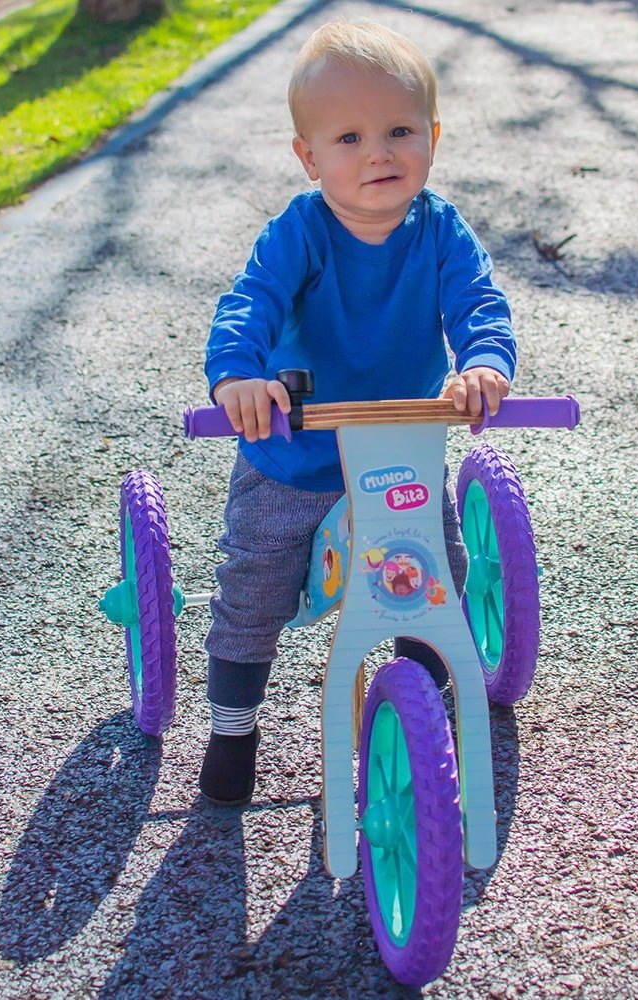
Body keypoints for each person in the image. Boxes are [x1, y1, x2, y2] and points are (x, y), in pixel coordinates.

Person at [200, 17, 516, 805]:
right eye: (348, 138)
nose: (378, 152)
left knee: (435, 572)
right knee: (257, 581)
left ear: (433, 138)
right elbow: (251, 305)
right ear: (308, 157)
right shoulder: (298, 233)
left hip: (399, 453)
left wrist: (482, 363)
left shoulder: (441, 231)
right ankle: (234, 725)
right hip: (296, 453)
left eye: (399, 130)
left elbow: (480, 304)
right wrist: (238, 377)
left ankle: (429, 707)